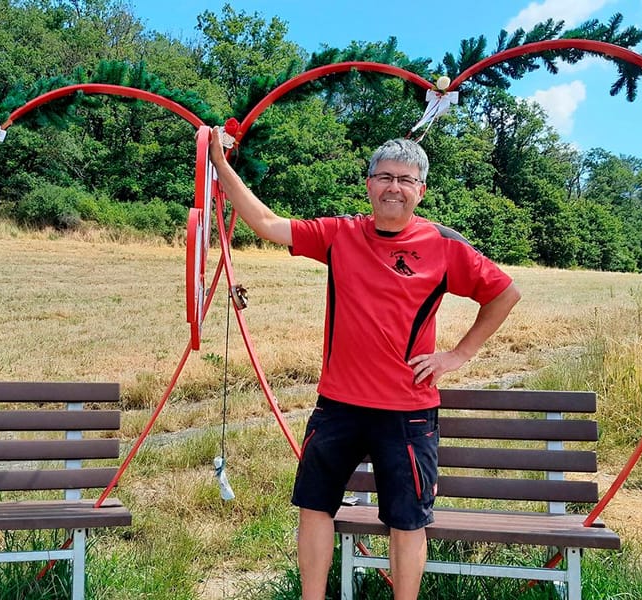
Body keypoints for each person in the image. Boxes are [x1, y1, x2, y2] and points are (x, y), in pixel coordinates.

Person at [209, 132, 521, 600]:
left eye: (406, 180)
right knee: (314, 507)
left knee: (406, 519)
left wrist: (459, 354)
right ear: (369, 184)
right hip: (338, 405)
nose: (394, 187)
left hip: (408, 411)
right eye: (385, 177)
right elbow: (267, 223)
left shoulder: (442, 246)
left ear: (421, 190)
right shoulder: (341, 234)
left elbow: (504, 293)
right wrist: (218, 160)